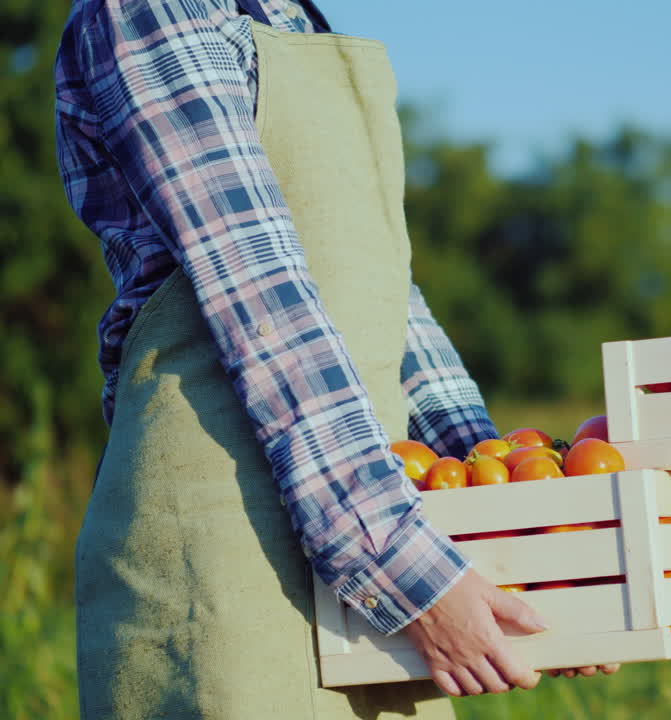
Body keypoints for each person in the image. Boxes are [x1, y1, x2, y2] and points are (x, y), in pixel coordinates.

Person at [55, 1, 610, 717]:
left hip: (370, 534)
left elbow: (387, 304)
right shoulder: (152, 11)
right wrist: (402, 568)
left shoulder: (295, 20)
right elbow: (260, 293)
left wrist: (519, 535)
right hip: (224, 563)